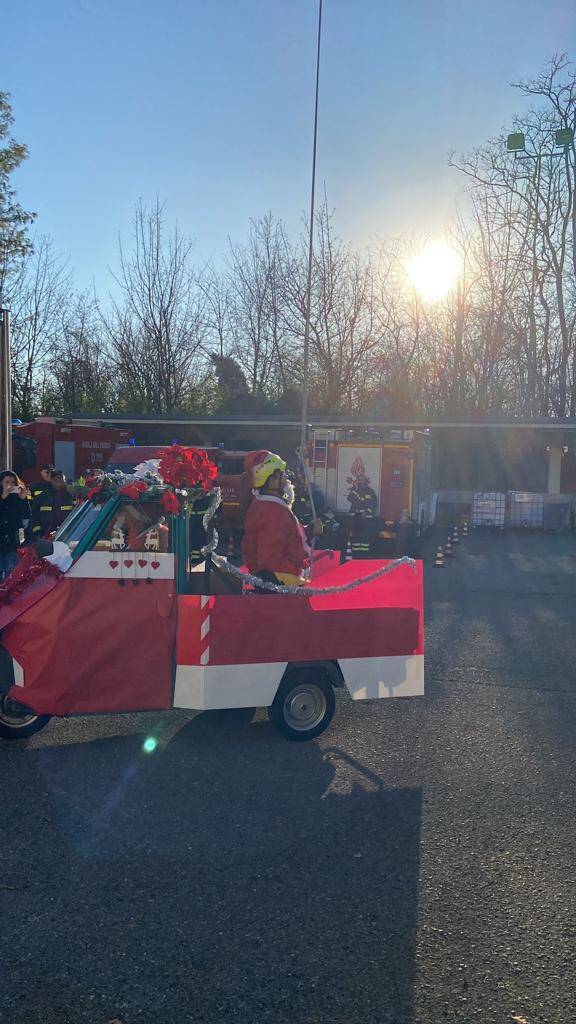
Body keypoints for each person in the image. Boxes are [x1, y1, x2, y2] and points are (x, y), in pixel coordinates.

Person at [242, 452, 310, 589]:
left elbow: (284, 537)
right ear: (272, 481)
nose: (286, 479)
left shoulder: (263, 505)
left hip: (275, 580)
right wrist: (297, 573)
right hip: (280, 582)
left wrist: (310, 531)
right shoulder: (273, 512)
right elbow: (269, 559)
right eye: (282, 475)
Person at [0, 471, 30, 580]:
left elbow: (26, 516)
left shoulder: (17, 497)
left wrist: (23, 499)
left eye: (13, 482)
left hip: (13, 542)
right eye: (7, 482)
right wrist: (3, 497)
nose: (10, 485)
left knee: (11, 571)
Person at [30, 470, 75, 539]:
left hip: (68, 535)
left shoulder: (72, 496)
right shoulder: (42, 497)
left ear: (65, 479)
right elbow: (35, 517)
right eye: (56, 478)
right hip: (46, 535)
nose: (59, 480)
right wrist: (38, 533)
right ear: (51, 480)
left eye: (61, 478)